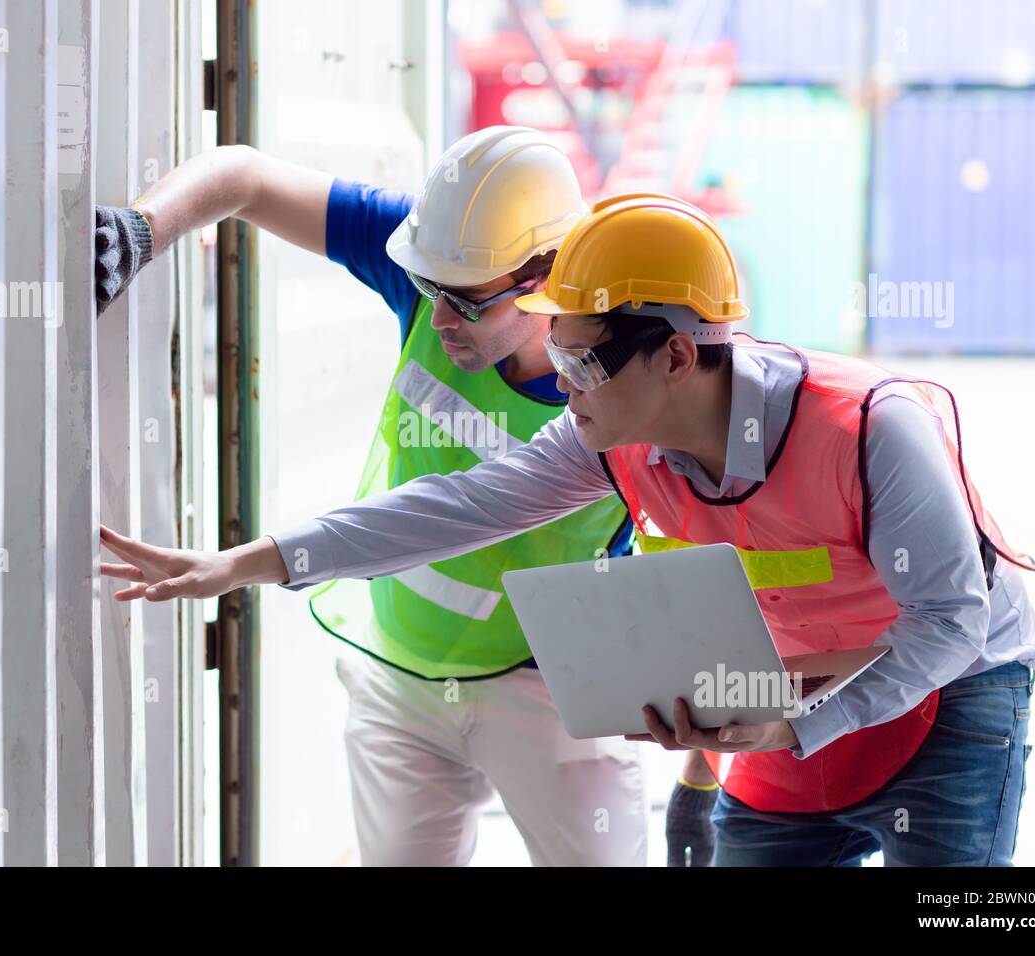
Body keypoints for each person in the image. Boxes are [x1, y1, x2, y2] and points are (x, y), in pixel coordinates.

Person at [102, 192, 1035, 866]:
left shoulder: (873, 428)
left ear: (676, 353)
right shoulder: (610, 437)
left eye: (582, 362)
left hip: (950, 687)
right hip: (789, 692)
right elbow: (460, 507)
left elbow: (950, 624)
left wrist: (799, 728)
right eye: (555, 352)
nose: (561, 383)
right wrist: (251, 562)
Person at [96, 127, 724, 866]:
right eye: (429, 293)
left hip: (551, 688)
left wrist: (701, 782)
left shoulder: (625, 394)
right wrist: (141, 231)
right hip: (399, 677)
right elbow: (244, 177)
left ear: (545, 278)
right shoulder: (439, 263)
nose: (440, 318)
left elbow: (726, 577)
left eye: (464, 303)